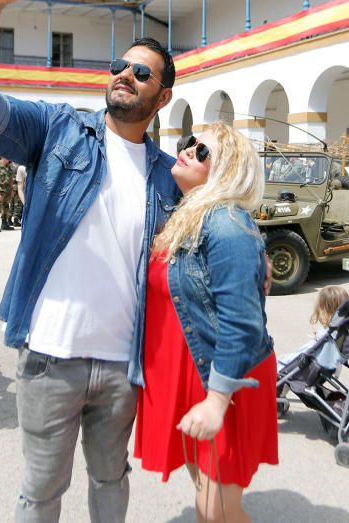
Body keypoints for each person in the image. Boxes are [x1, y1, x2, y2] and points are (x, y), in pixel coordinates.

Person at [0, 0, 178, 522]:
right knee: (41, 490)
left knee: (111, 481)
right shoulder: (61, 131)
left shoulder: (166, 175)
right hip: (51, 354)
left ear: (164, 95)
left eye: (141, 71)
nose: (124, 75)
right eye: (118, 67)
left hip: (123, 363)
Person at [135, 124, 277, 523]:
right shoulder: (188, 215)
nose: (188, 152)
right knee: (210, 502)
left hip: (223, 380)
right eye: (189, 145)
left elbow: (242, 322)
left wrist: (217, 400)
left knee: (216, 513)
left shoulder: (226, 225)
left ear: (225, 171)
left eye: (203, 152)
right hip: (193, 374)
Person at [0, 157, 15, 231]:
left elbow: (11, 179)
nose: (8, 159)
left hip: (7, 192)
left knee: (6, 208)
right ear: (2, 157)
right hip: (0, 192)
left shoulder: (9, 167)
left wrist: (12, 191)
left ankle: (4, 224)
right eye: (7, 157)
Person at [12, 163, 26, 228]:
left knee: (15, 205)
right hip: (17, 188)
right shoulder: (20, 168)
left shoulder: (14, 166)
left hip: (16, 187)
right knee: (17, 205)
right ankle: (15, 220)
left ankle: (15, 219)